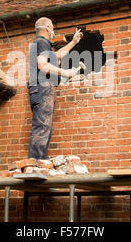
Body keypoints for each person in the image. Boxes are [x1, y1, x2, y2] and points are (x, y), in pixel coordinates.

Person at [27, 17, 83, 160]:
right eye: (52, 27)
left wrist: (74, 42)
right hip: (42, 89)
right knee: (42, 127)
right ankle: (35, 165)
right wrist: (65, 72)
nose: (53, 30)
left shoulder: (43, 44)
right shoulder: (41, 42)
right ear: (47, 28)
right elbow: (43, 65)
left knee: (44, 128)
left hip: (41, 89)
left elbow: (57, 55)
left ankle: (39, 163)